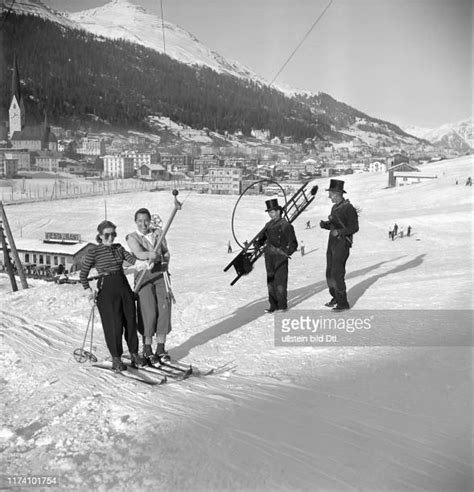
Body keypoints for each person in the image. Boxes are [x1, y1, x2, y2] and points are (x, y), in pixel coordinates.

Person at [80, 220, 145, 372]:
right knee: (114, 325)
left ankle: (134, 353)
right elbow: (83, 275)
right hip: (106, 288)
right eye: (107, 235)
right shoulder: (93, 252)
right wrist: (89, 292)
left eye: (113, 234)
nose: (111, 238)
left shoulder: (119, 248)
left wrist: (143, 263)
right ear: (100, 236)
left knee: (130, 320)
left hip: (122, 285)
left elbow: (132, 260)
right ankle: (116, 358)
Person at [127, 208, 172, 364]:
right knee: (149, 312)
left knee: (163, 310)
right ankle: (147, 348)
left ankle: (161, 347)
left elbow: (165, 252)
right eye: (140, 220)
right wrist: (149, 255)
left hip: (161, 274)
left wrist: (165, 260)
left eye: (146, 220)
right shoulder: (133, 237)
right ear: (136, 222)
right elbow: (139, 253)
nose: (143, 224)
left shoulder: (158, 234)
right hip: (144, 276)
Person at [320, 179, 359, 312]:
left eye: (330, 193)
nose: (329, 196)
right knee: (329, 273)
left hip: (342, 244)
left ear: (337, 193)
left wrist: (340, 232)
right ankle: (335, 297)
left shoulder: (348, 208)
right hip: (332, 243)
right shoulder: (335, 207)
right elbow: (335, 225)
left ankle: (343, 303)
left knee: (337, 273)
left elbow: (354, 227)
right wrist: (326, 225)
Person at [257, 199, 298, 313]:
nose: (271, 214)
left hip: (280, 257)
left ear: (279, 211)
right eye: (269, 212)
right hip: (269, 256)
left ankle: (282, 305)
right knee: (271, 282)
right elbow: (262, 238)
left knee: (280, 282)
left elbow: (293, 244)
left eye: (273, 212)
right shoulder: (268, 225)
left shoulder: (286, 225)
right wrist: (258, 242)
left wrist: (286, 253)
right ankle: (273, 305)